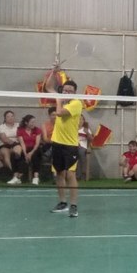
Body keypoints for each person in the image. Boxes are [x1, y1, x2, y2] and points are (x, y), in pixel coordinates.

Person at [50, 80, 84, 217]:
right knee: (59, 173)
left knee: (70, 174)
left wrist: (59, 99)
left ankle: (73, 205)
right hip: (57, 143)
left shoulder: (76, 103)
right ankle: (63, 203)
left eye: (70, 91)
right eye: (65, 90)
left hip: (70, 145)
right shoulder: (62, 100)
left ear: (75, 93)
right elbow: (48, 86)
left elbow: (59, 113)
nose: (67, 92)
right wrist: (53, 72)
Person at [0, 110, 24, 184]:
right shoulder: (1, 127)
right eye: (8, 116)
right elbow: (4, 139)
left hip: (16, 144)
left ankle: (17, 175)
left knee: (18, 151)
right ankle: (13, 173)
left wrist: (16, 144)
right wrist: (14, 143)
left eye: (12, 116)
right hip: (4, 145)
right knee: (6, 153)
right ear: (5, 118)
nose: (10, 118)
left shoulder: (18, 125)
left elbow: (22, 136)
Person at [16, 114, 43, 185]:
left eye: (34, 122)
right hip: (25, 148)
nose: (33, 124)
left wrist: (31, 153)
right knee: (21, 156)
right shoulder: (20, 130)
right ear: (26, 123)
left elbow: (37, 143)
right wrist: (25, 154)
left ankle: (36, 177)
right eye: (31, 122)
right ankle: (19, 177)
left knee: (36, 155)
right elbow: (22, 143)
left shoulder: (37, 130)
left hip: (35, 148)